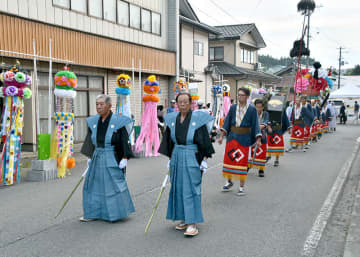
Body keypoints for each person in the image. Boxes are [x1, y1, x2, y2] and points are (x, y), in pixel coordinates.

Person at [159, 92, 215, 237]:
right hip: (177, 155)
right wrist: (170, 159)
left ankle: (192, 223)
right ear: (176, 104)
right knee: (178, 187)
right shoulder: (172, 120)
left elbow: (204, 141)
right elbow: (169, 141)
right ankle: (184, 218)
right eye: (180, 102)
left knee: (191, 188)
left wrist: (204, 160)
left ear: (191, 103)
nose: (182, 104)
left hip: (192, 155)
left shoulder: (197, 120)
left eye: (185, 102)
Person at [80, 94, 135, 222]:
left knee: (113, 185)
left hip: (112, 156)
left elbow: (124, 139)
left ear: (109, 106)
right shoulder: (93, 121)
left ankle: (116, 213)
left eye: (101, 104)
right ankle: (92, 213)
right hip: (97, 156)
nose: (98, 107)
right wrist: (90, 156)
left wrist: (125, 157)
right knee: (93, 184)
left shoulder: (118, 121)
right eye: (97, 104)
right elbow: (90, 139)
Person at [218, 87, 261, 196]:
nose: (239, 97)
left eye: (242, 95)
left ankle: (241, 187)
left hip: (244, 139)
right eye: (238, 95)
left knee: (242, 163)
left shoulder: (252, 110)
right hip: (232, 138)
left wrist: (258, 139)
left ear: (247, 97)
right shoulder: (233, 108)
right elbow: (227, 122)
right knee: (229, 160)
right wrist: (221, 136)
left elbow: (256, 125)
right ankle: (229, 181)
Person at [247, 99, 268, 177]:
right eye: (256, 107)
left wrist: (257, 127)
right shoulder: (252, 113)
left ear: (263, 107)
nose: (258, 109)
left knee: (262, 153)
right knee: (251, 152)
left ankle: (261, 169)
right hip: (252, 136)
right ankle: (248, 166)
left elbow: (265, 122)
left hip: (262, 136)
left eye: (260, 107)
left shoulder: (265, 114)